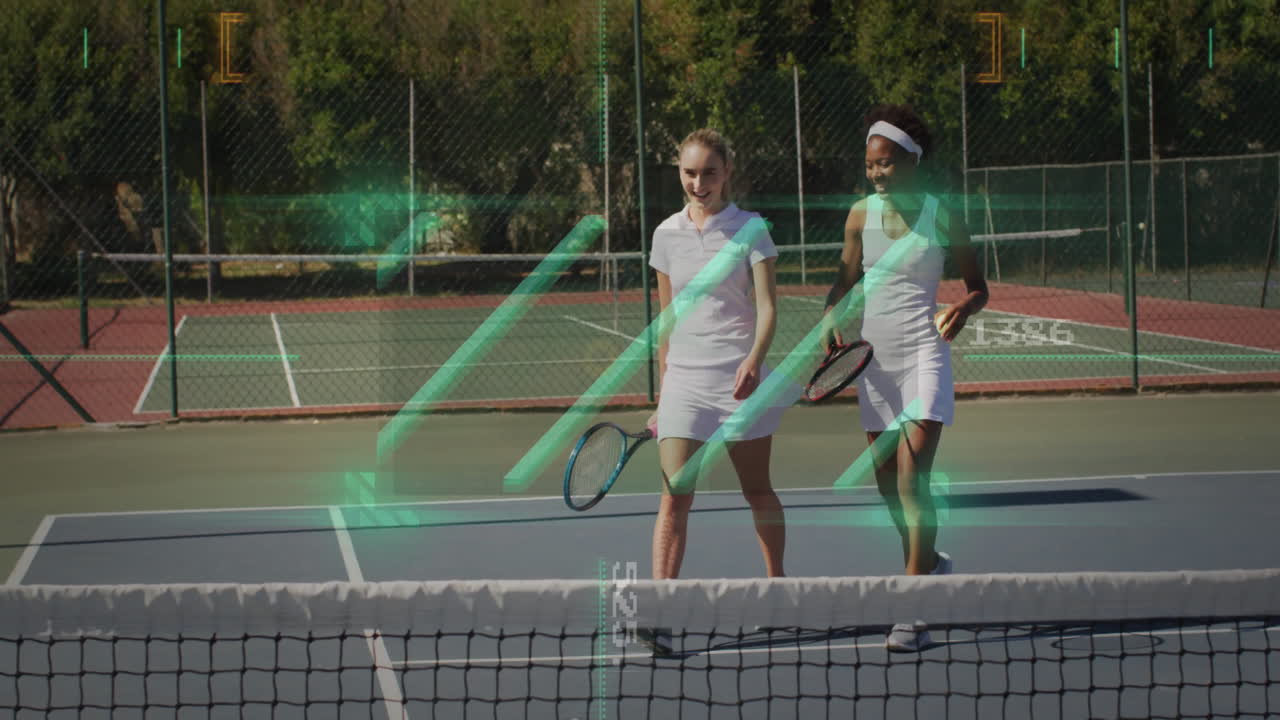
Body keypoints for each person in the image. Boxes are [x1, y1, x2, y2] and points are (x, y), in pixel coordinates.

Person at [820, 105, 989, 653]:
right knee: (889, 486)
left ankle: (912, 610)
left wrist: (964, 307)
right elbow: (845, 278)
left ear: (912, 162)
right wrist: (829, 319)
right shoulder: (858, 216)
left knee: (914, 477)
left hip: (924, 354)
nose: (877, 174)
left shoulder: (943, 214)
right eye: (871, 165)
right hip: (874, 364)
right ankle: (929, 564)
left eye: (886, 164)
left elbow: (978, 285)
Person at [645, 128, 788, 590]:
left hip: (739, 380)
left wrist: (754, 360)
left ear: (727, 172)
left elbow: (767, 307)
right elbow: (666, 318)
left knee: (756, 490)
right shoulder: (665, 234)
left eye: (708, 172)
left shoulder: (752, 229)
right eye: (689, 173)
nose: (698, 182)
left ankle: (778, 588)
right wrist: (664, 395)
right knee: (674, 496)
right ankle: (661, 606)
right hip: (684, 384)